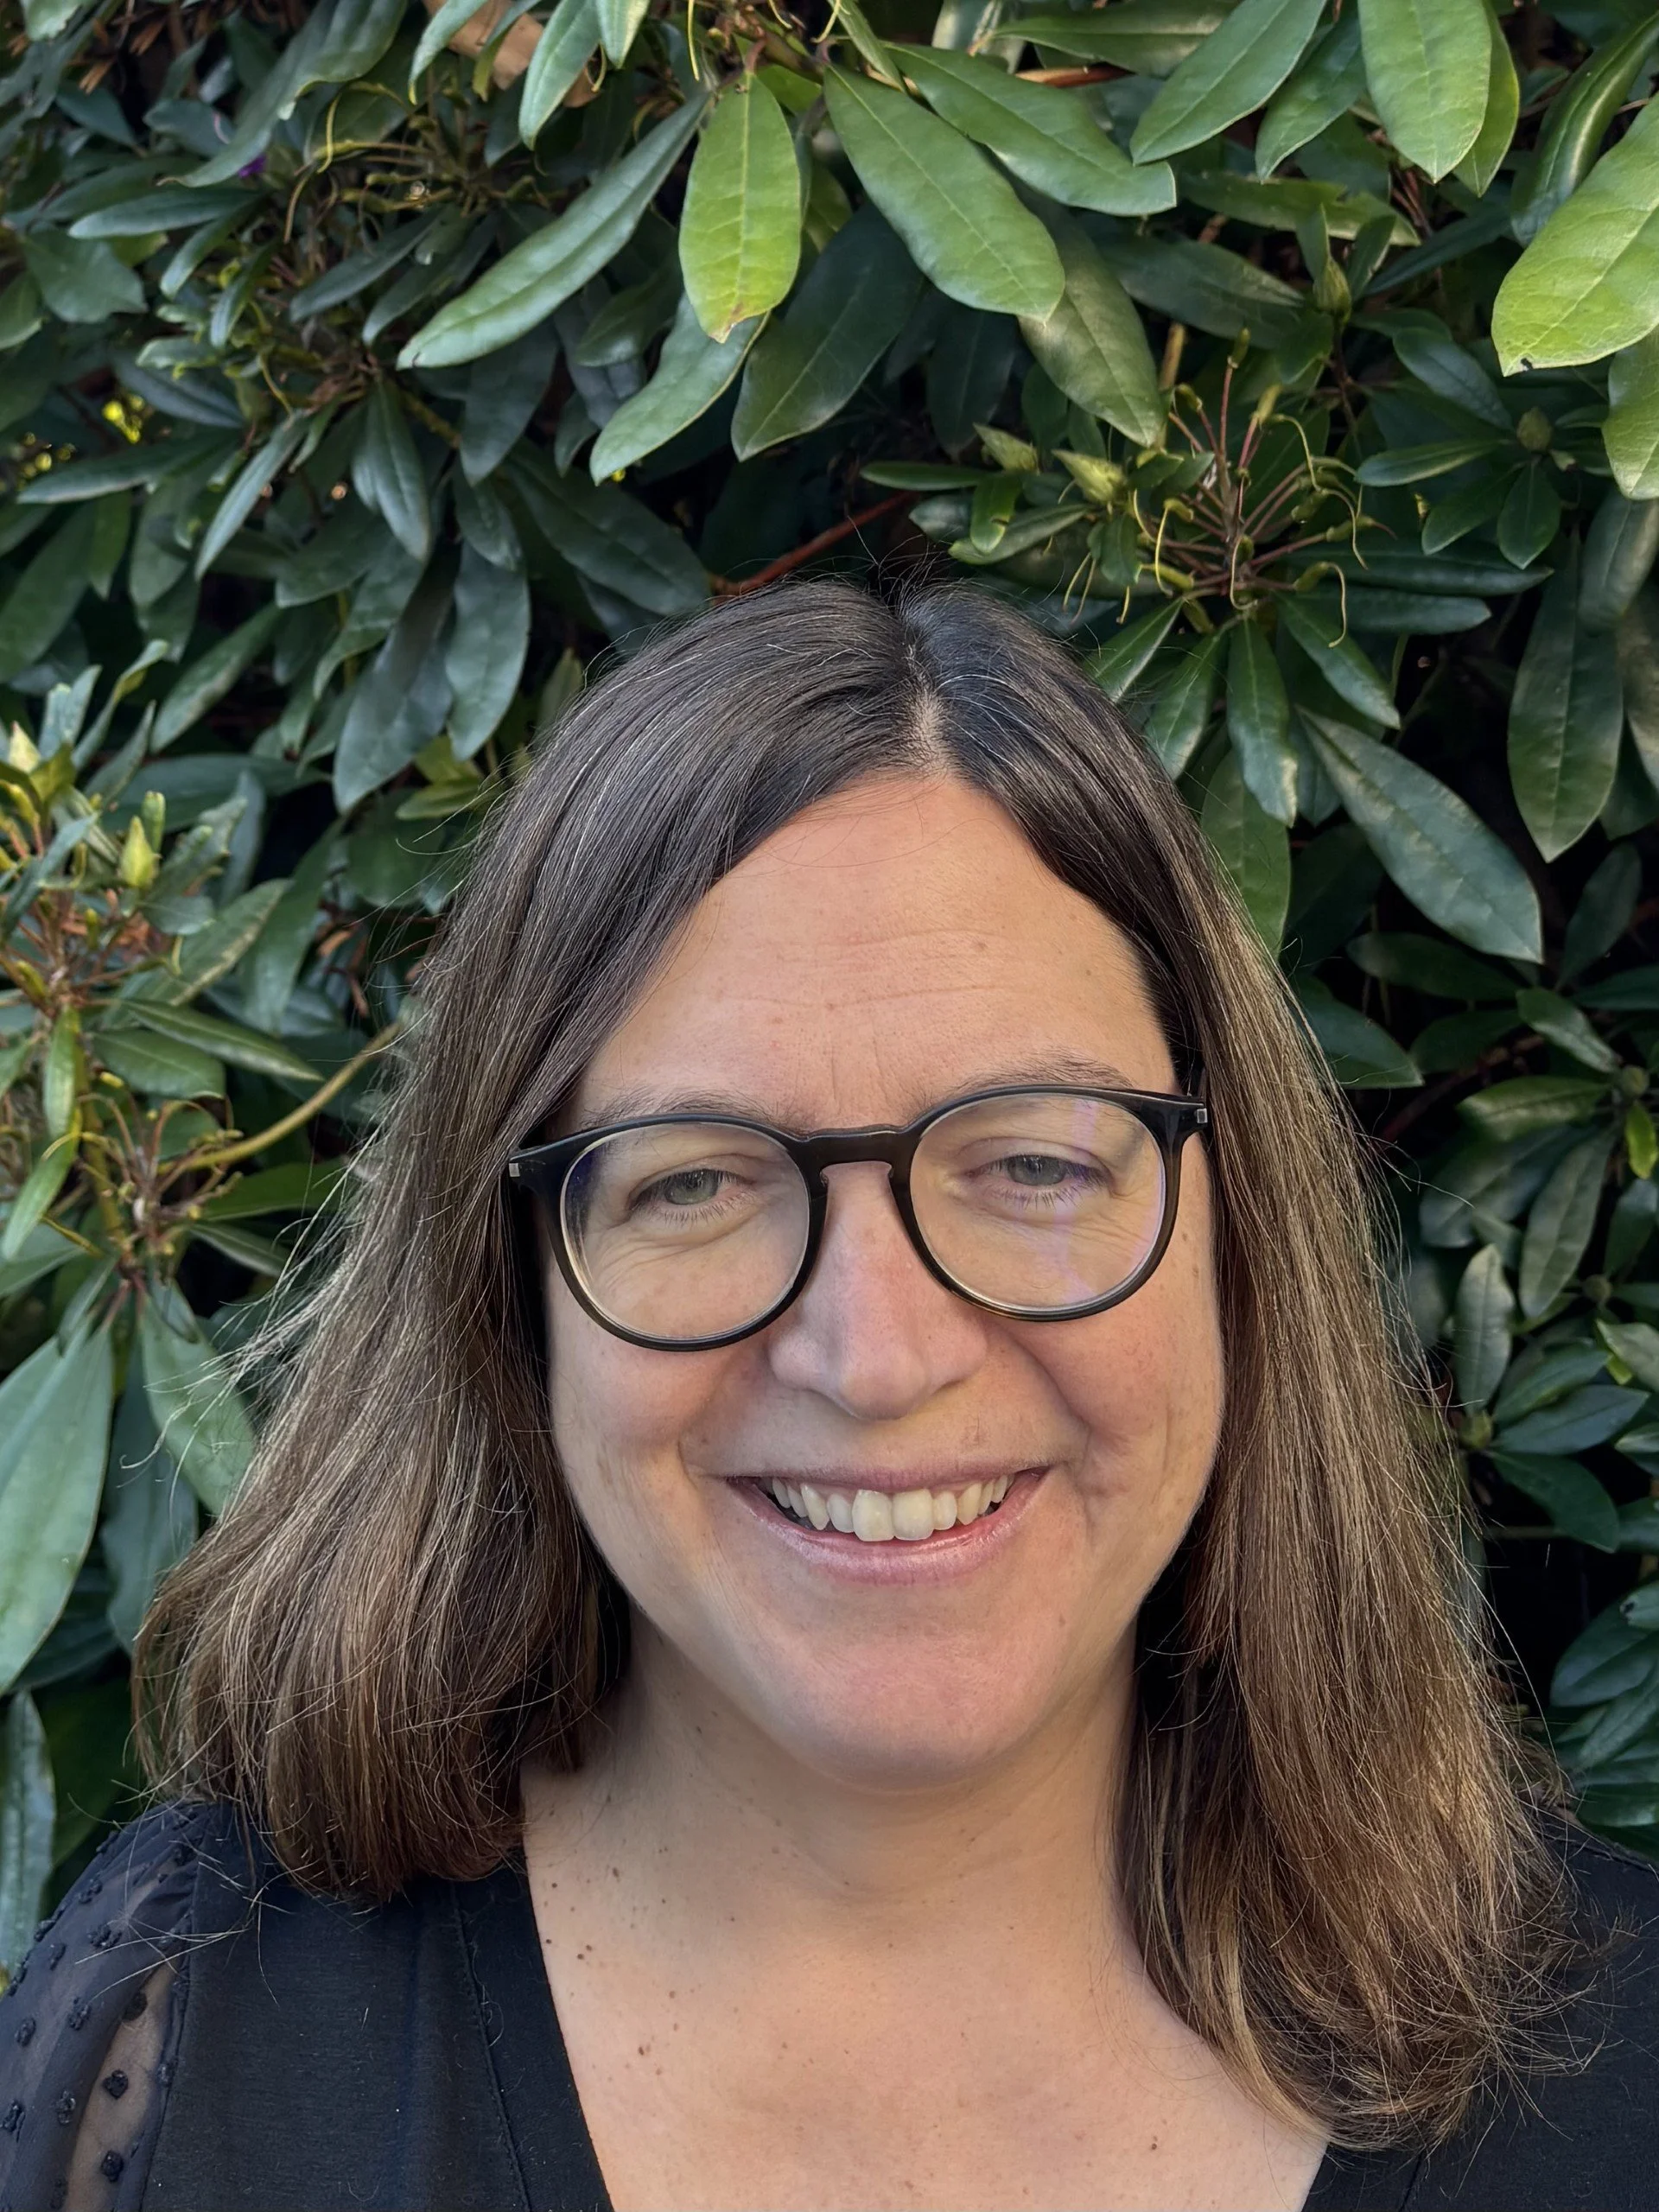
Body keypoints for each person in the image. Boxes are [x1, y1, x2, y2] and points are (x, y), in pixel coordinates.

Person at [1, 581, 1654, 2212]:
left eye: (1029, 1160)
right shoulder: (182, 2039)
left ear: (1239, 1239)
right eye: (696, 1184)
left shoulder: (1622, 2081)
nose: (875, 1359)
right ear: (507, 1289)